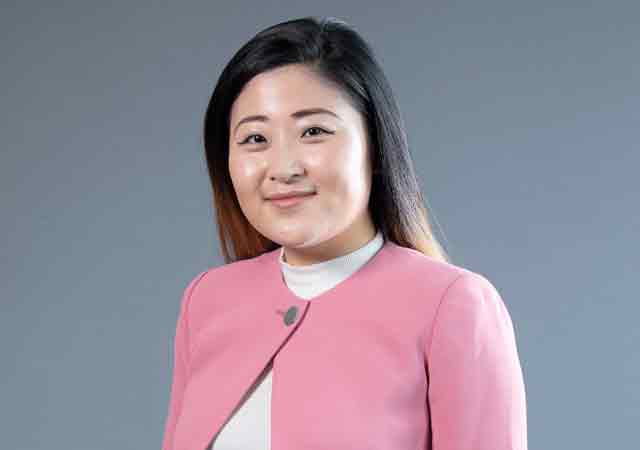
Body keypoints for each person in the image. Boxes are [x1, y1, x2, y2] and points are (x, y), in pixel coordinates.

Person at [162, 16, 528, 450]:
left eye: (313, 131)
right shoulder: (207, 300)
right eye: (255, 139)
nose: (283, 168)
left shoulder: (453, 306)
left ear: (375, 147)